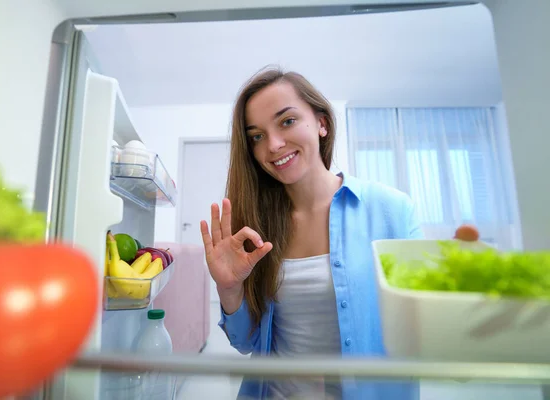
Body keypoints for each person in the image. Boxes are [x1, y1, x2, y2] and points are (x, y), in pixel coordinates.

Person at [199, 66, 474, 400]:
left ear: (322, 123)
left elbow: (430, 334)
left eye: (287, 121)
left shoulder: (390, 209)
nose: (272, 145)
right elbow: (247, 343)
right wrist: (230, 290)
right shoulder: (257, 227)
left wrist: (462, 299)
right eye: (257, 136)